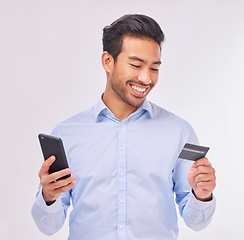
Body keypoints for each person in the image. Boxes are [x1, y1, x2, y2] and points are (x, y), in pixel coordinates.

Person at [32, 14, 216, 240]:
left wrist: (202, 195)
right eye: (136, 65)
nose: (146, 78)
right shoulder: (67, 133)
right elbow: (49, 226)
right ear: (108, 61)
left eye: (154, 68)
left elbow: (196, 222)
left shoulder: (178, 131)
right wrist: (48, 195)